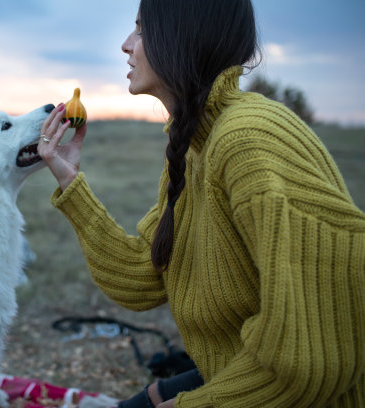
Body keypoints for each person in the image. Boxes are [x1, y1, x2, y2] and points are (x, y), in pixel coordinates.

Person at [37, 0, 365, 407]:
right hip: (245, 371)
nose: (125, 45)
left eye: (140, 30)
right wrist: (70, 180)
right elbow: (140, 276)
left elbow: (314, 356)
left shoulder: (250, 141)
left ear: (180, 37)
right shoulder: (194, 144)